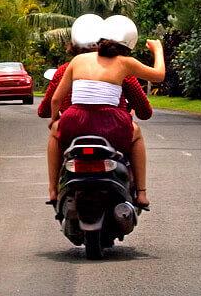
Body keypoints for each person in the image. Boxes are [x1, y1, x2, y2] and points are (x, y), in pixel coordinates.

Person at [48, 31, 165, 208]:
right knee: (137, 134)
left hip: (74, 121)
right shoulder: (125, 62)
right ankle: (141, 193)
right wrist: (158, 50)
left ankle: (53, 190)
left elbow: (56, 100)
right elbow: (159, 75)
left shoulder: (78, 61)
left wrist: (54, 119)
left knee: (55, 133)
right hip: (112, 125)